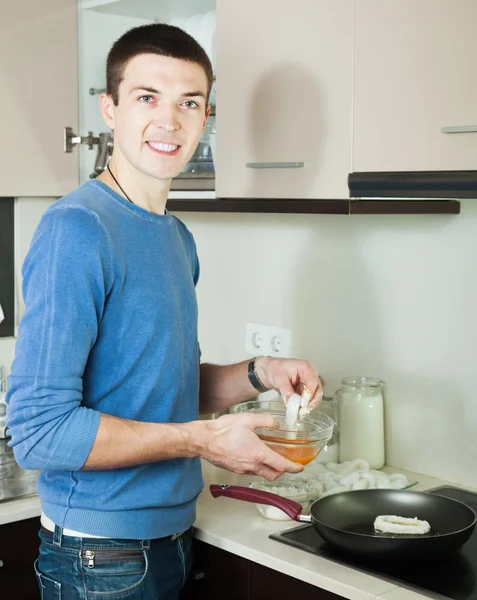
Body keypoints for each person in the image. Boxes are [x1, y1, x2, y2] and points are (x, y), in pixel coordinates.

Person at [6, 23, 323, 600]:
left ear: (207, 117)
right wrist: (203, 443)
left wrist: (260, 374)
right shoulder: (78, 230)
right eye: (147, 98)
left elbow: (159, 388)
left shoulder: (175, 237)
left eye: (189, 102)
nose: (169, 121)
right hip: (99, 558)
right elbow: (38, 433)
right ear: (110, 108)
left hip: (170, 538)